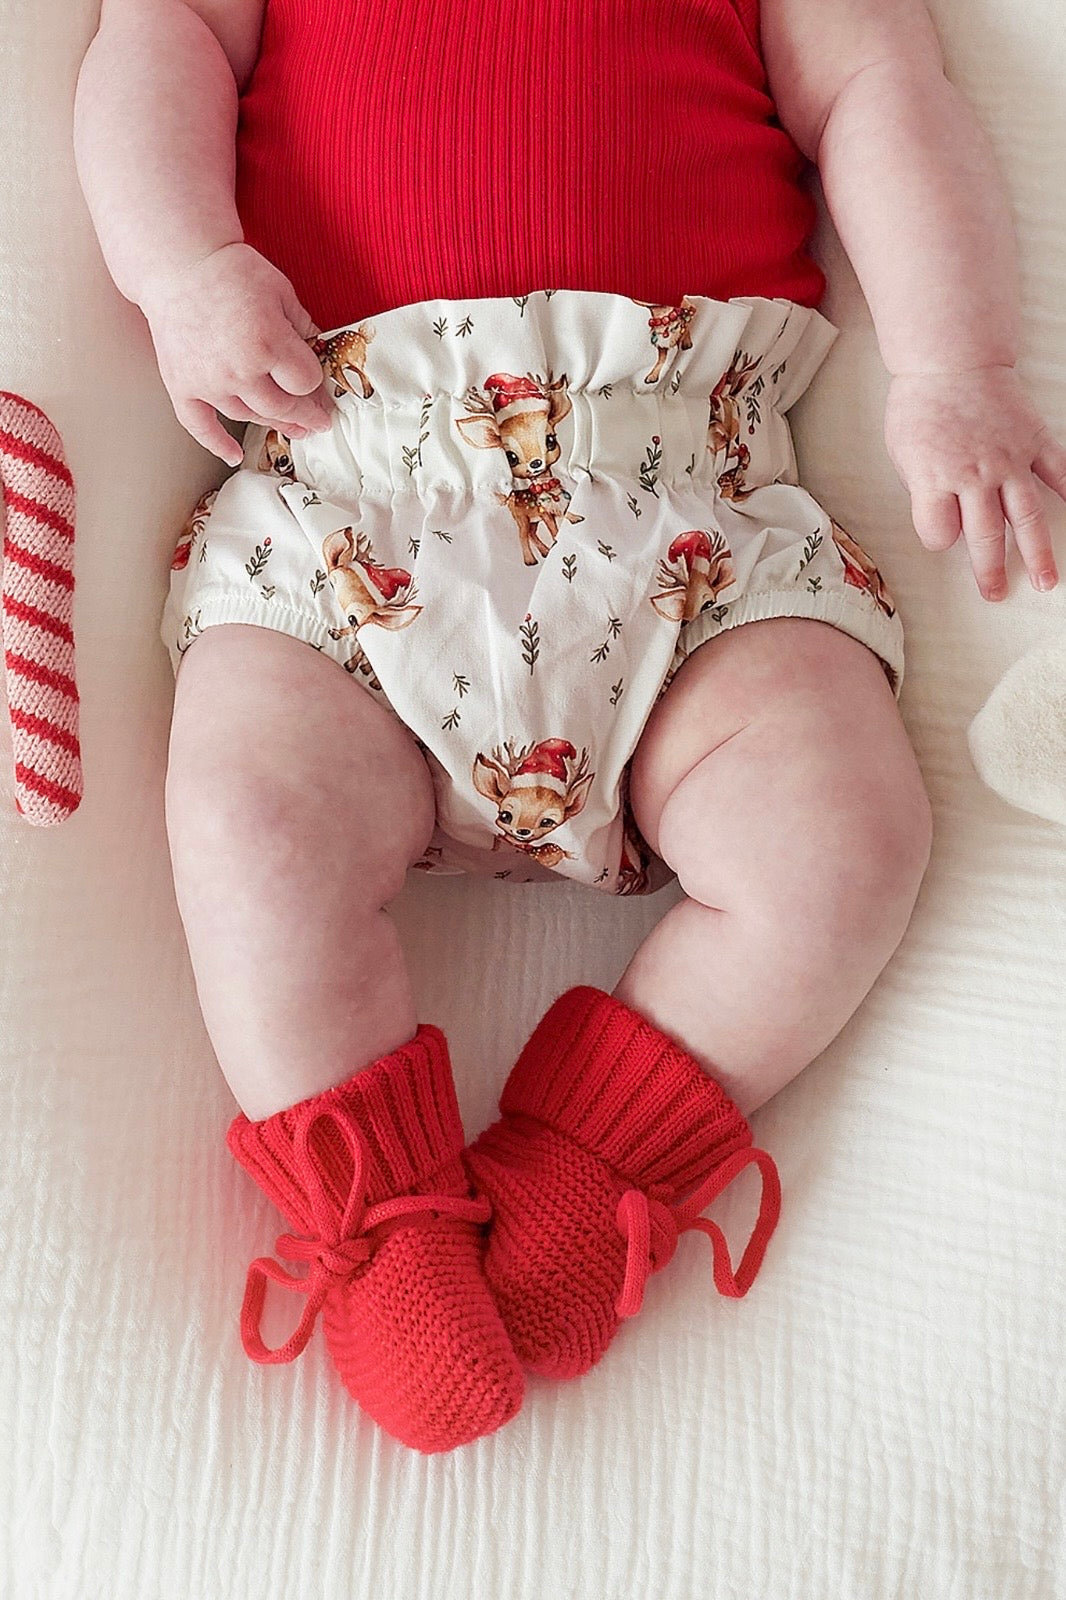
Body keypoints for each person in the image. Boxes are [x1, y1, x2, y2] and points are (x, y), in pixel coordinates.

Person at [71, 0, 1065, 1453]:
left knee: (838, 834)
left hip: (679, 487)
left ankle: (592, 1166)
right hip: (350, 482)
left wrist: (954, 374)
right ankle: (380, 1221)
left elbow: (881, 96)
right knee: (251, 823)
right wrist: (184, 273)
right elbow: (151, 45)